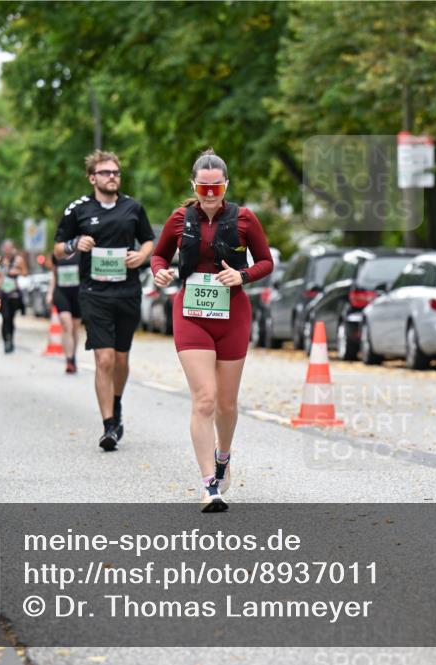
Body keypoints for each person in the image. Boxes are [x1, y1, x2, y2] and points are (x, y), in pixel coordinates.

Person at [151, 149, 273, 512]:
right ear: (193, 186)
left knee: (226, 403)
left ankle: (223, 456)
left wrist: (243, 275)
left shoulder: (245, 219)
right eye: (203, 187)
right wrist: (159, 271)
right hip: (191, 314)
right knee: (204, 398)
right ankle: (209, 486)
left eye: (215, 187)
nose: (209, 194)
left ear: (226, 185)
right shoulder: (179, 218)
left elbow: (266, 261)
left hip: (233, 313)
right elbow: (159, 255)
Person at [53, 150, 154, 451]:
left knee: (121, 359)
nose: (112, 177)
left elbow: (149, 239)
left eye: (116, 173)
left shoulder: (133, 207)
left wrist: (141, 256)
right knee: (104, 359)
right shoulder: (78, 209)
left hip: (127, 291)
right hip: (94, 293)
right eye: (106, 172)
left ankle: (117, 402)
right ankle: (109, 426)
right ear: (92, 177)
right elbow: (58, 249)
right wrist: (74, 243)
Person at [46, 250, 83, 373]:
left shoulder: (81, 253)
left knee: (75, 328)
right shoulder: (57, 253)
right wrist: (50, 293)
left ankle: (73, 356)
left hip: (77, 294)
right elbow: (54, 274)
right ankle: (69, 360)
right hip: (61, 293)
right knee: (67, 325)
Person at [0, 240, 28, 353]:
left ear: (13, 248)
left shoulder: (18, 260)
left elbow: (25, 272)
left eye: (9, 247)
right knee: (5, 318)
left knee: (11, 318)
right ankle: (6, 340)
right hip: (2, 293)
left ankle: (11, 339)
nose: (7, 250)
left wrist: (17, 272)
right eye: (5, 247)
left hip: (14, 294)